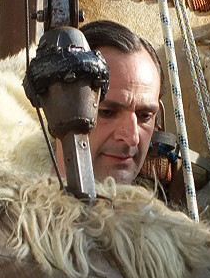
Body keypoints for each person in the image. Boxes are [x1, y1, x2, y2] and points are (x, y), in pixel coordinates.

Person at [56, 20, 162, 185]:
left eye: (145, 116)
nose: (132, 138)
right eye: (107, 112)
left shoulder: (167, 209)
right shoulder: (10, 205)